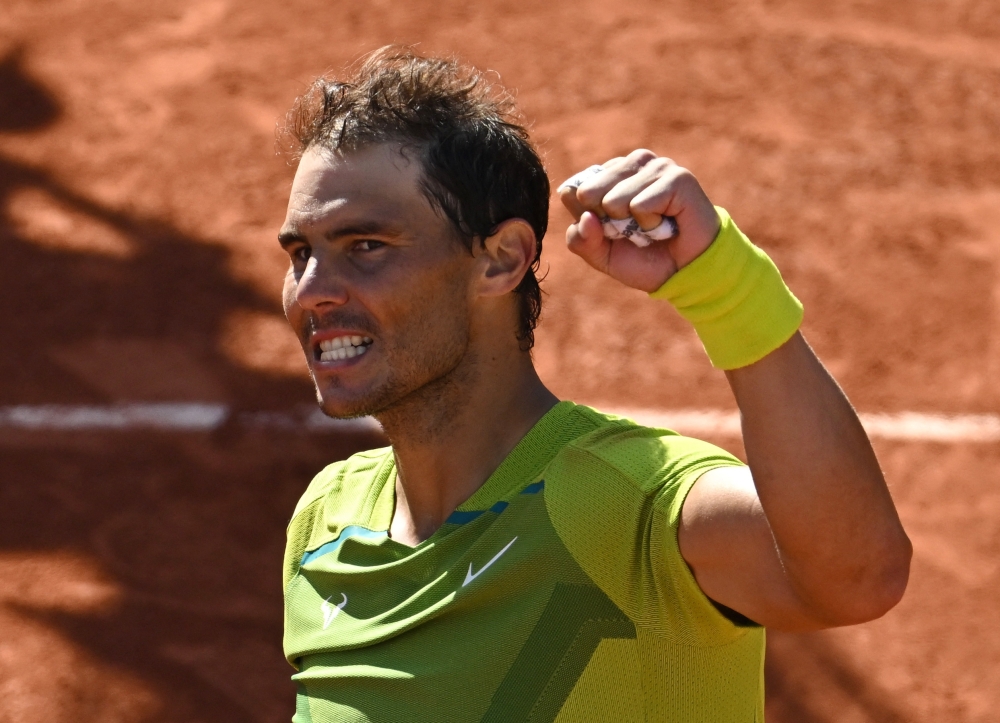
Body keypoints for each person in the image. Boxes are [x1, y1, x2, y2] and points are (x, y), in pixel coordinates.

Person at [276, 48, 911, 723]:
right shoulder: (326, 523)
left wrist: (728, 289)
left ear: (500, 260)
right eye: (299, 253)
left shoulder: (624, 499)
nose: (310, 291)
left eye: (365, 246)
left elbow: (857, 578)